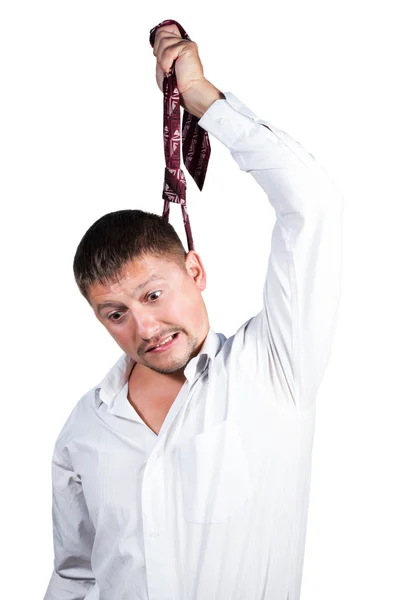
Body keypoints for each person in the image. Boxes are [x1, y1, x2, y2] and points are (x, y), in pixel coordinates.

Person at [44, 24, 343, 600]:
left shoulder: (273, 370)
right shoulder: (83, 431)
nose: (143, 328)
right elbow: (74, 577)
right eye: (115, 313)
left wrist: (202, 98)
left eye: (153, 295)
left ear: (196, 272)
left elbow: (312, 202)